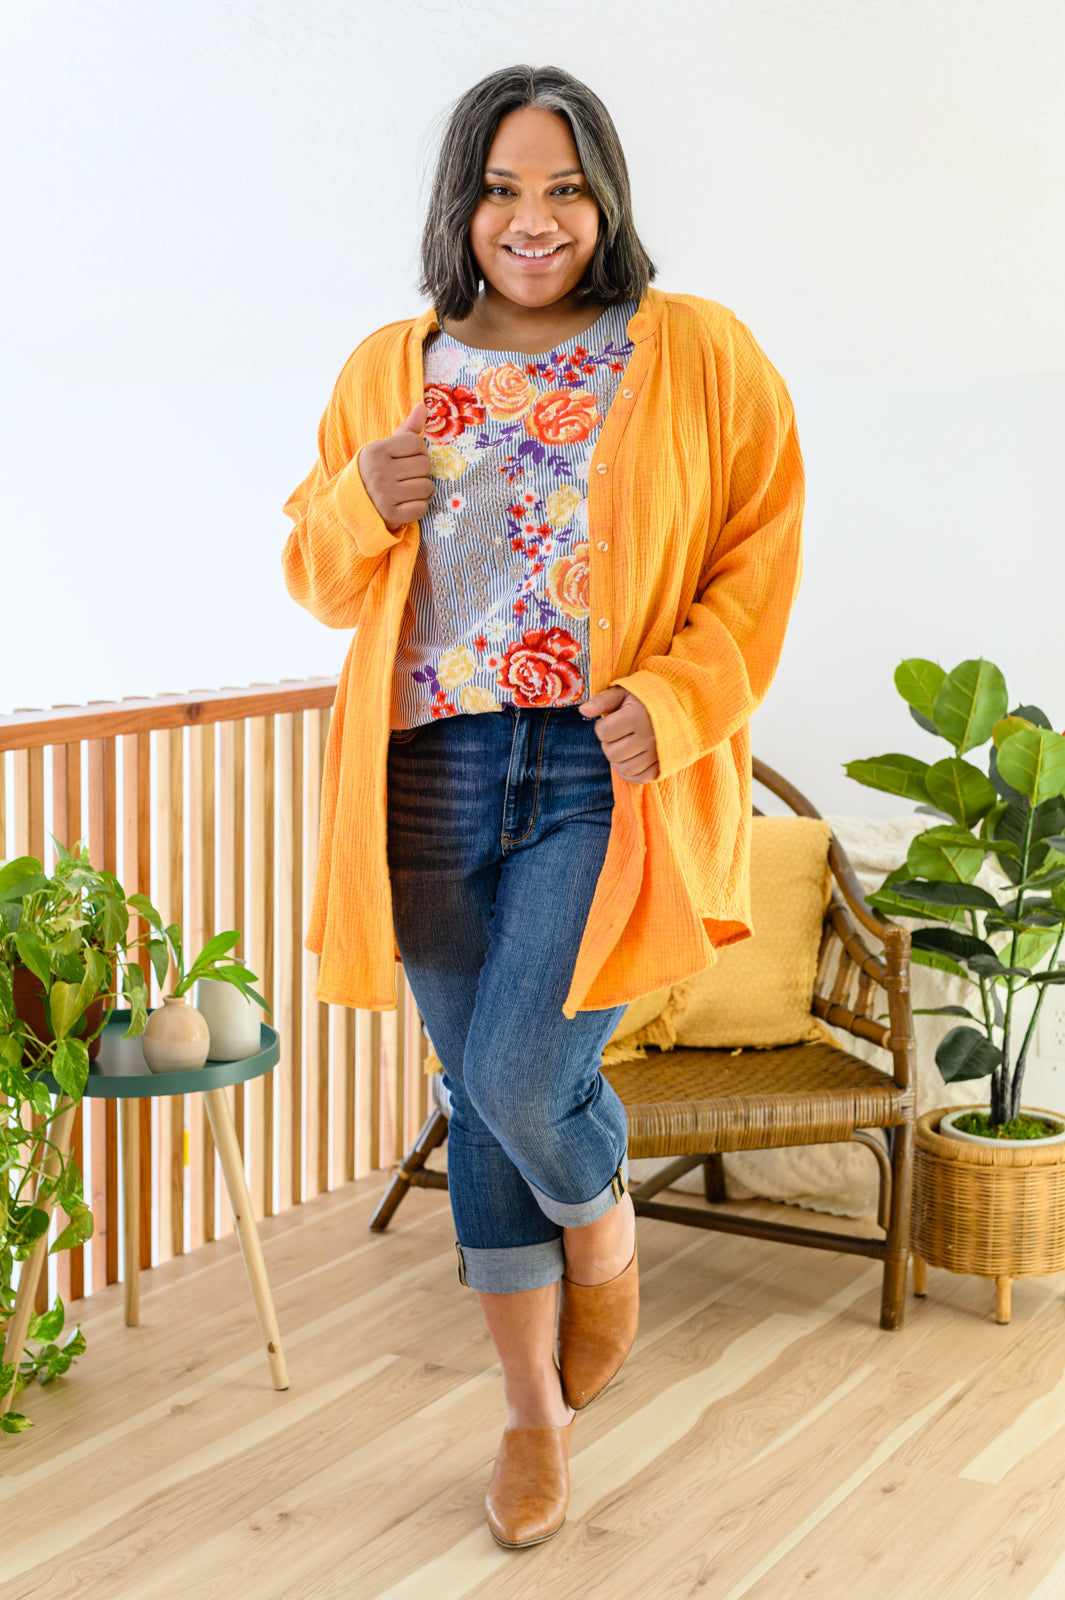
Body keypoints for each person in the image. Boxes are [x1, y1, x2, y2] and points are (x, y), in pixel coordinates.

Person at [281, 63, 805, 1550]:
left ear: (606, 198)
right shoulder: (390, 365)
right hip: (429, 767)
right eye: (502, 189)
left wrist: (681, 698)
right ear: (462, 204)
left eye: (564, 187)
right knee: (476, 1092)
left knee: (520, 1073)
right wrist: (358, 501)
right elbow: (316, 575)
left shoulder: (695, 349)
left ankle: (603, 1229)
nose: (534, 219)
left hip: (599, 766)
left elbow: (760, 555)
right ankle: (532, 1419)